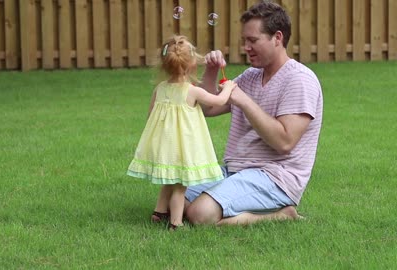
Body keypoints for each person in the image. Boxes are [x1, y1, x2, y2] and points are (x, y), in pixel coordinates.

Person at [184, 1, 323, 226]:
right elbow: (208, 108)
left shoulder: (300, 80)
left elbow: (284, 141)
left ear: (277, 38)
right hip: (236, 171)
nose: (246, 47)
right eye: (244, 41)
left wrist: (245, 102)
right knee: (175, 199)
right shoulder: (250, 76)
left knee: (200, 214)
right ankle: (226, 207)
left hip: (275, 177)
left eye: (253, 40)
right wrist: (210, 72)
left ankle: (281, 214)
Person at [127, 35, 238, 230]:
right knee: (180, 186)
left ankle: (159, 212)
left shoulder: (160, 89)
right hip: (183, 148)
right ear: (191, 64)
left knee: (168, 179)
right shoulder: (192, 91)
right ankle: (176, 223)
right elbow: (219, 101)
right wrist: (228, 87)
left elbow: (151, 116)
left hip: (165, 146)